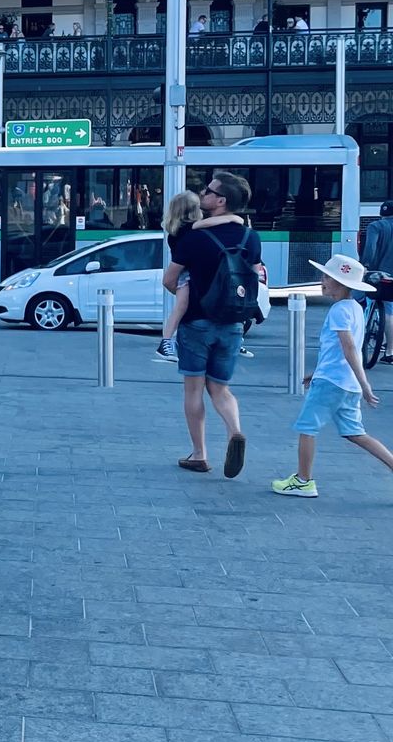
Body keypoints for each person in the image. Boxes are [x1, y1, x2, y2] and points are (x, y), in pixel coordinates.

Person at [163, 171, 260, 477]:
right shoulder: (250, 237)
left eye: (209, 191)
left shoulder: (194, 238)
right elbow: (255, 274)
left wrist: (187, 295)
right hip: (233, 323)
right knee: (220, 388)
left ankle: (199, 454)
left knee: (193, 390)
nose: (203, 194)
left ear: (221, 201)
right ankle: (234, 431)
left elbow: (170, 279)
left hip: (197, 322)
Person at [273, 255, 393, 497]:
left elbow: (348, 348)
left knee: (307, 428)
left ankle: (304, 480)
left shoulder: (339, 310)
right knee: (355, 433)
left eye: (328, 277)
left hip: (332, 383)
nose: (323, 281)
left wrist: (365, 384)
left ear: (342, 284)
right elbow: (341, 351)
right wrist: (321, 373)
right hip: (345, 383)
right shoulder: (356, 308)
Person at [154, 190, 203, 363]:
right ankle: (166, 341)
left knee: (181, 307)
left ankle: (167, 341)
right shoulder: (193, 230)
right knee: (181, 306)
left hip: (184, 272)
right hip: (188, 273)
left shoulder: (175, 231)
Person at [362, 201, 393, 363]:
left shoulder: (375, 226)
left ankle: (361, 336)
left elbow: (370, 248)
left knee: (365, 300)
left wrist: (366, 266)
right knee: (390, 309)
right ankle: (389, 351)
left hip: (380, 274)